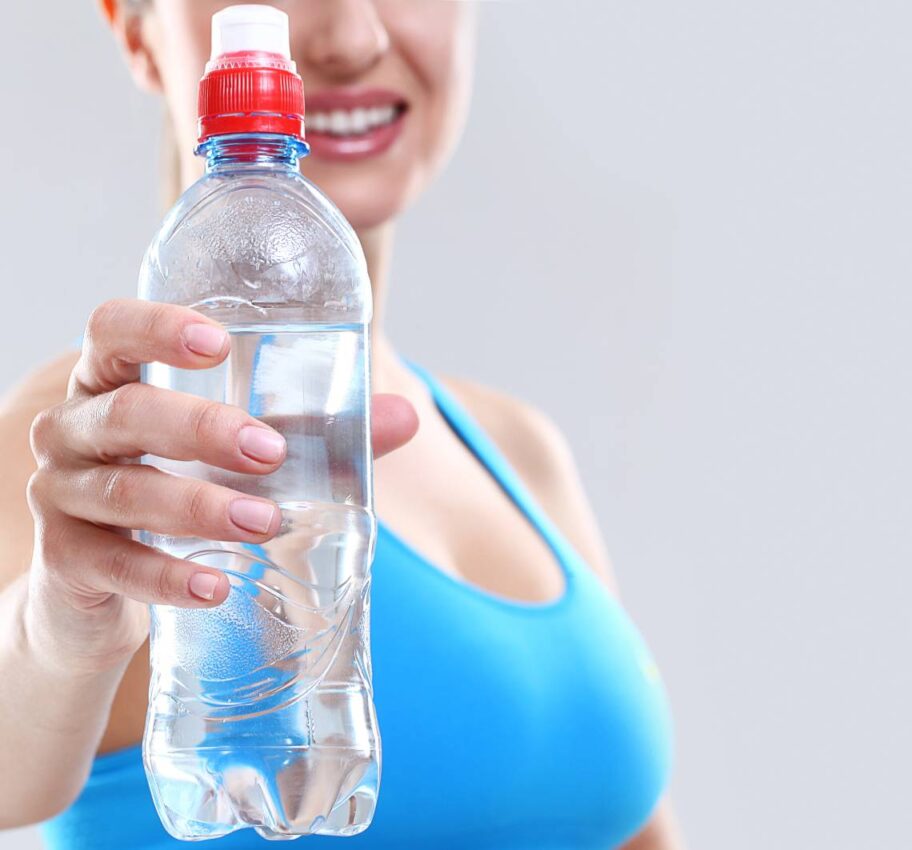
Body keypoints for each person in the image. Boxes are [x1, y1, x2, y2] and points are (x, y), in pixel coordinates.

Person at [0, 2, 679, 848]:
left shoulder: (516, 448)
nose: (351, 36)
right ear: (136, 30)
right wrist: (58, 625)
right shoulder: (82, 460)